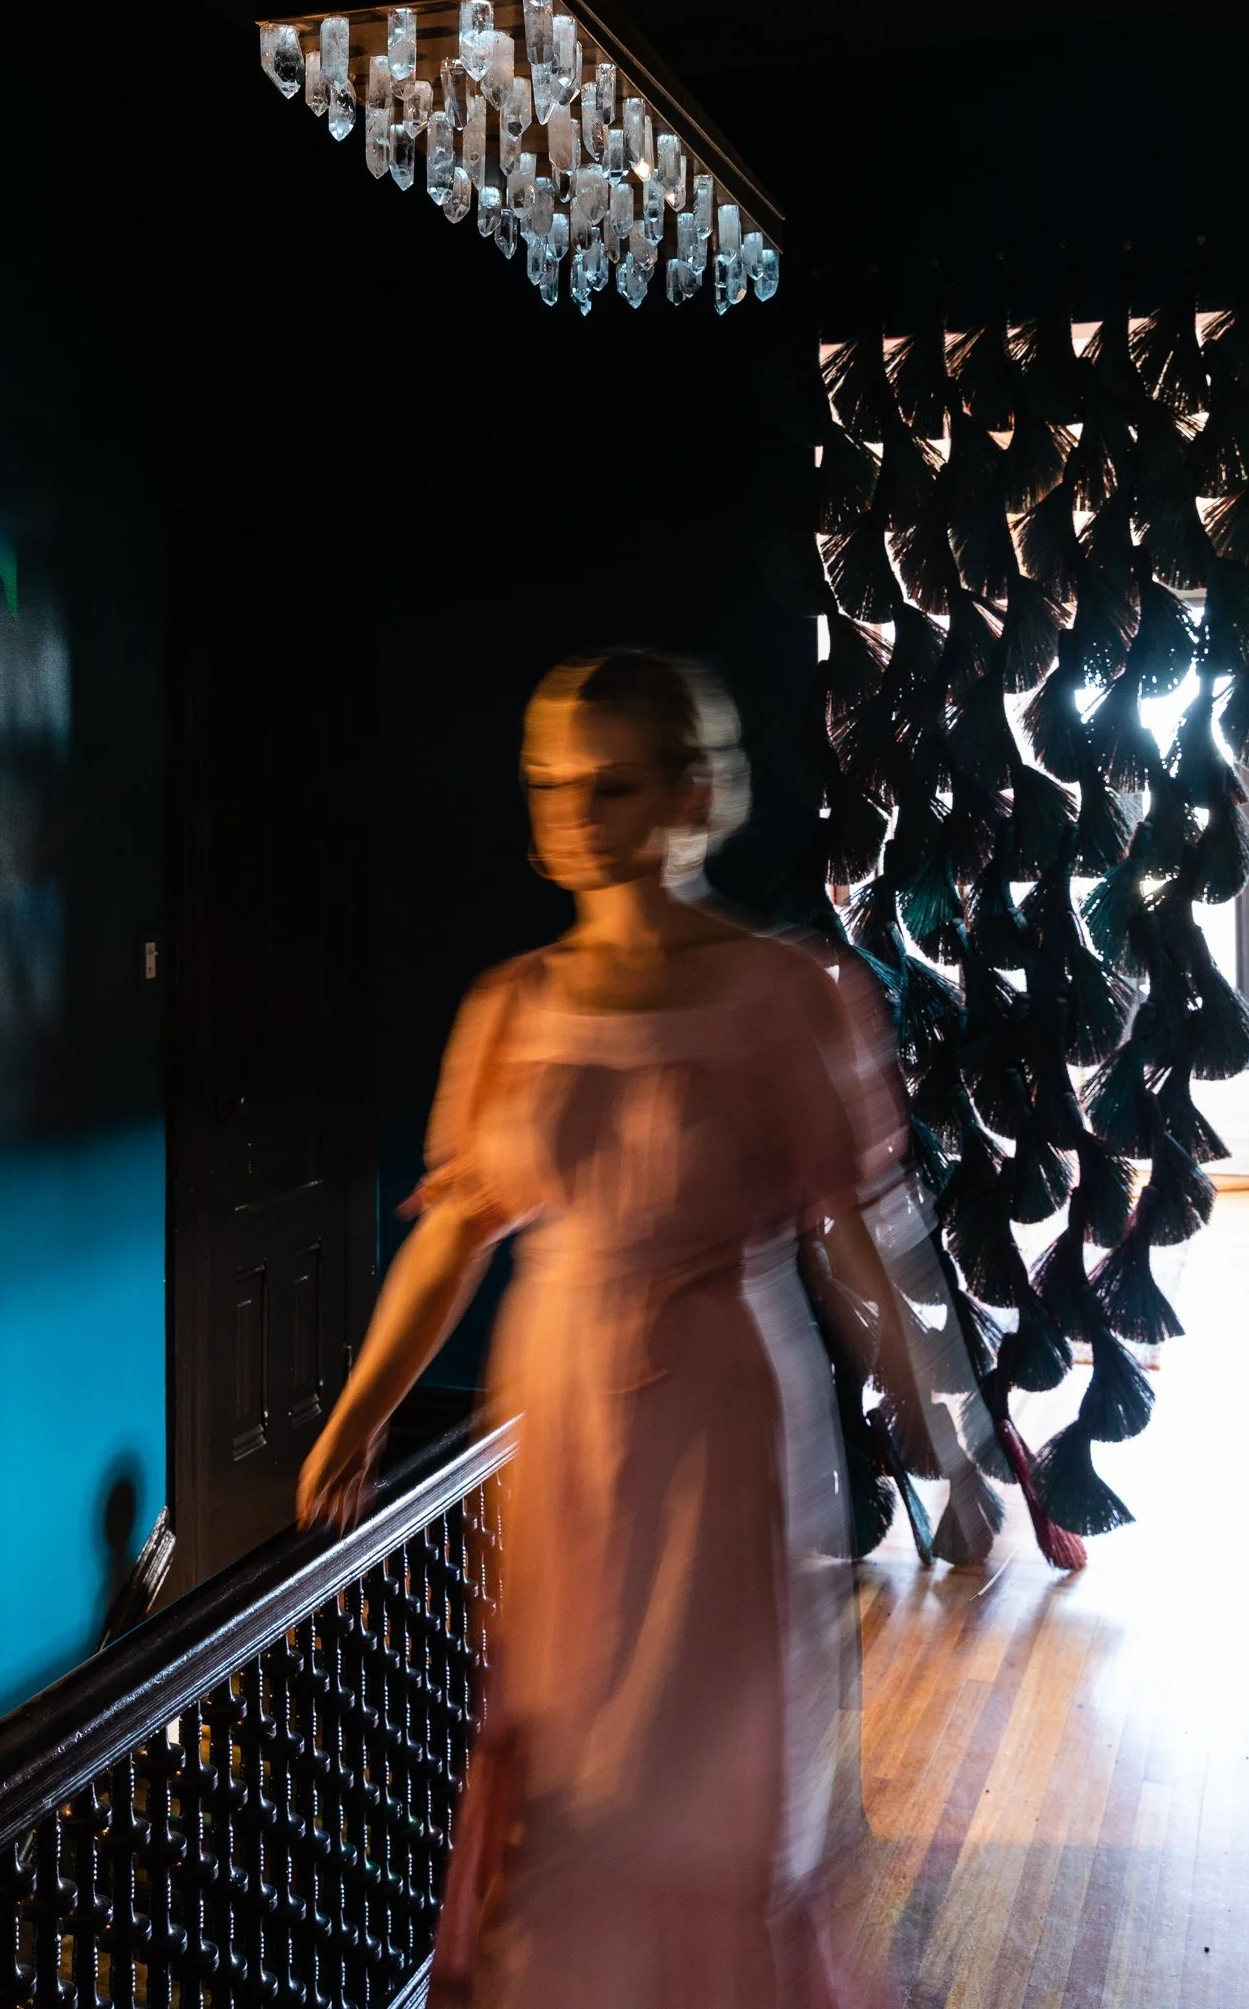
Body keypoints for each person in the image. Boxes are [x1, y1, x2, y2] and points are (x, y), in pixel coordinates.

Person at [297, 649, 908, 2009]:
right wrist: (362, 1411)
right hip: (565, 1415)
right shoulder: (510, 1006)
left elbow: (844, 1222)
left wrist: (927, 1403)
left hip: (720, 1417)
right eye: (550, 784)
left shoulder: (786, 995)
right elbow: (459, 1230)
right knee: (569, 1762)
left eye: (609, 782)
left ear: (692, 791)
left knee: (701, 1775)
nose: (575, 813)